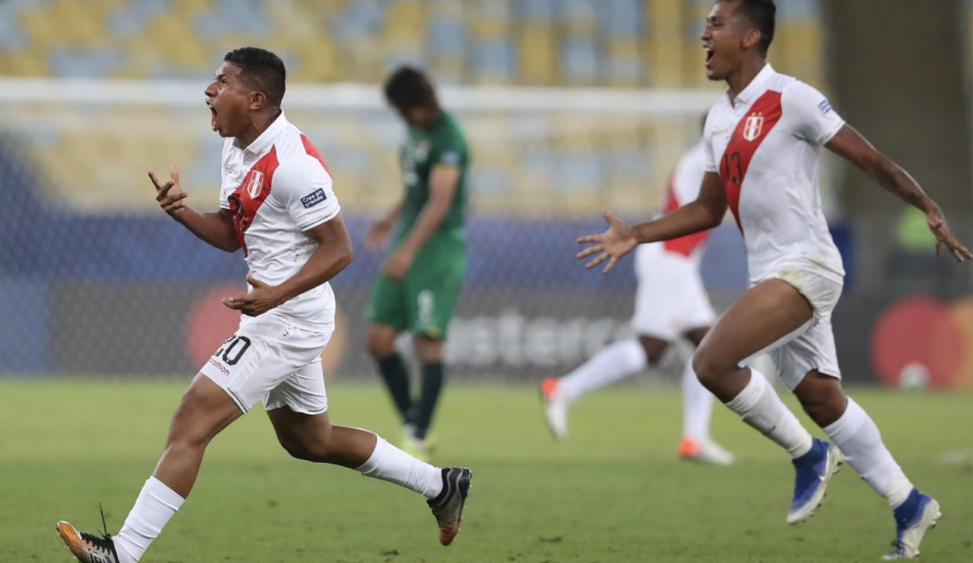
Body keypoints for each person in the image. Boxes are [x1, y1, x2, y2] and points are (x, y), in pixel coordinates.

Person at [575, 1, 973, 560]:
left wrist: (925, 204)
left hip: (807, 264)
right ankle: (910, 504)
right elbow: (708, 210)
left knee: (712, 363)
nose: (704, 34)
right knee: (823, 399)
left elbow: (869, 159)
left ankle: (809, 455)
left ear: (750, 36)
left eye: (716, 23)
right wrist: (637, 233)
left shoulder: (791, 97)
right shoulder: (718, 120)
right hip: (770, 273)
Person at [56, 48, 472, 563]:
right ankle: (440, 485)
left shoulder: (294, 166)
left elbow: (339, 249)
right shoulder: (237, 149)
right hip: (280, 313)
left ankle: (123, 551)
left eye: (221, 81)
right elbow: (233, 232)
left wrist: (275, 294)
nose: (209, 90)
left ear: (255, 99)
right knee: (311, 441)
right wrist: (182, 212)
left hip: (286, 319)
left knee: (191, 421)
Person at [541, 139, 735, 466]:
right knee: (652, 349)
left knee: (709, 348)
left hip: (680, 263)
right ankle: (563, 389)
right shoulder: (706, 158)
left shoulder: (708, 158)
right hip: (670, 260)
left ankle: (695, 438)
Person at [365, 66, 470, 461]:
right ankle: (414, 420)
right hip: (407, 237)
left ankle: (419, 437)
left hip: (436, 247)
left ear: (414, 103)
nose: (398, 115)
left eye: (400, 108)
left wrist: (408, 250)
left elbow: (440, 202)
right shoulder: (414, 132)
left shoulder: (448, 137)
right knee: (378, 339)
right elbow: (417, 191)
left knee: (428, 342)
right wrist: (391, 219)